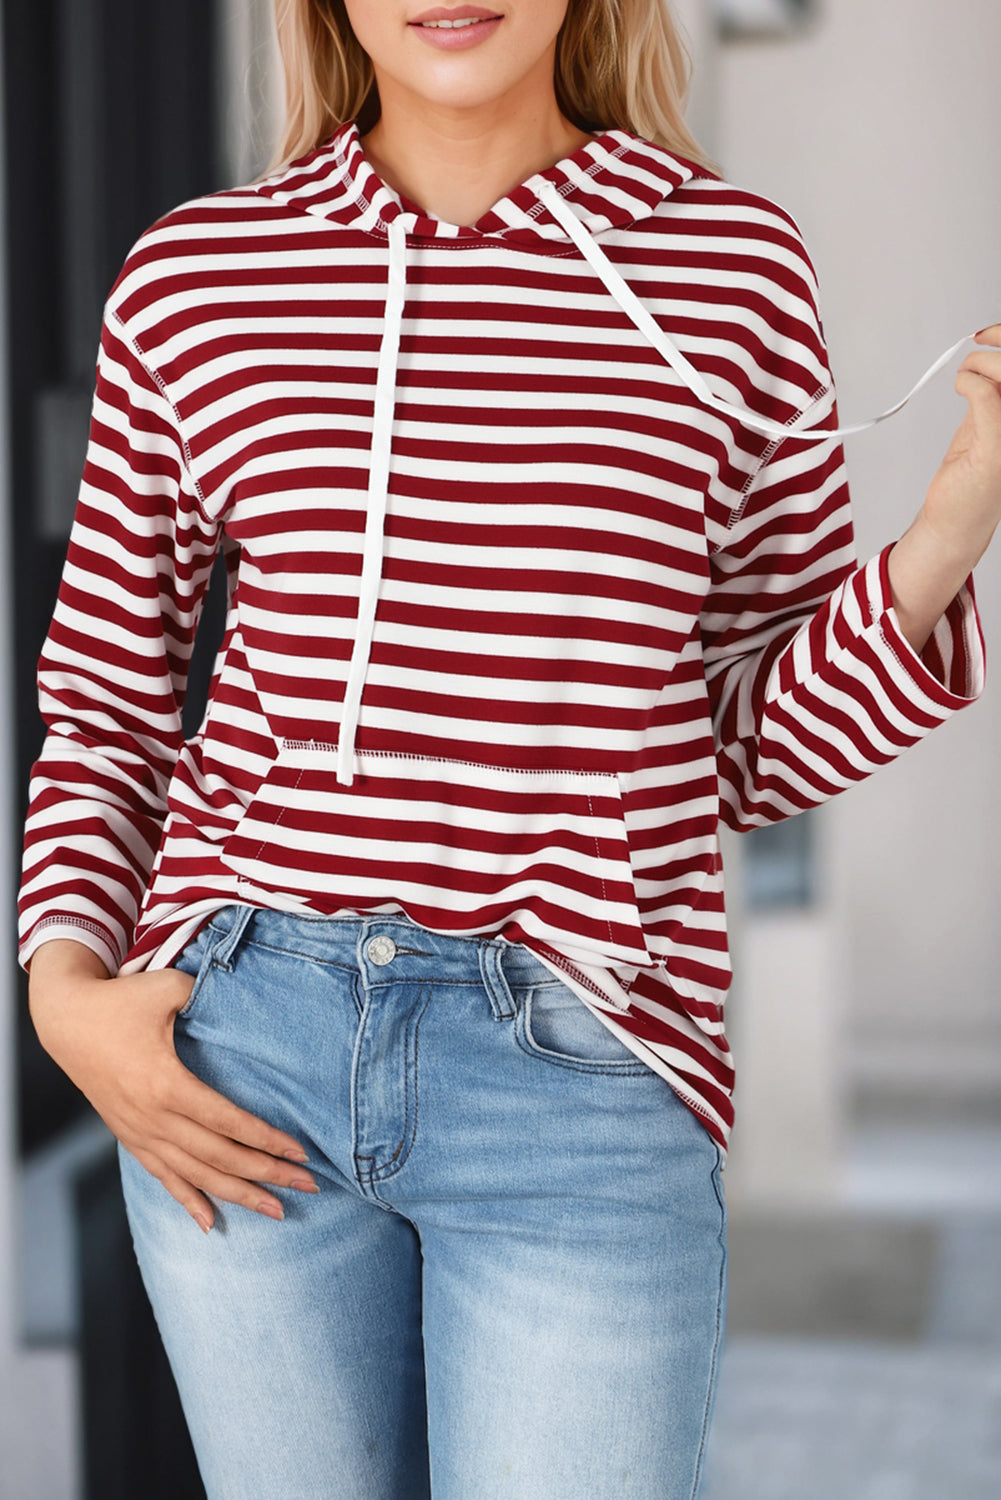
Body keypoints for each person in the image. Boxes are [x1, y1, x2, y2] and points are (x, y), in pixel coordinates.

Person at [19, 1, 1000, 1496]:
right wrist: (62, 997)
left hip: (584, 1059)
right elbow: (106, 698)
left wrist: (941, 539)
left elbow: (739, 743)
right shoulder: (199, 279)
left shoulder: (728, 268)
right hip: (241, 1044)